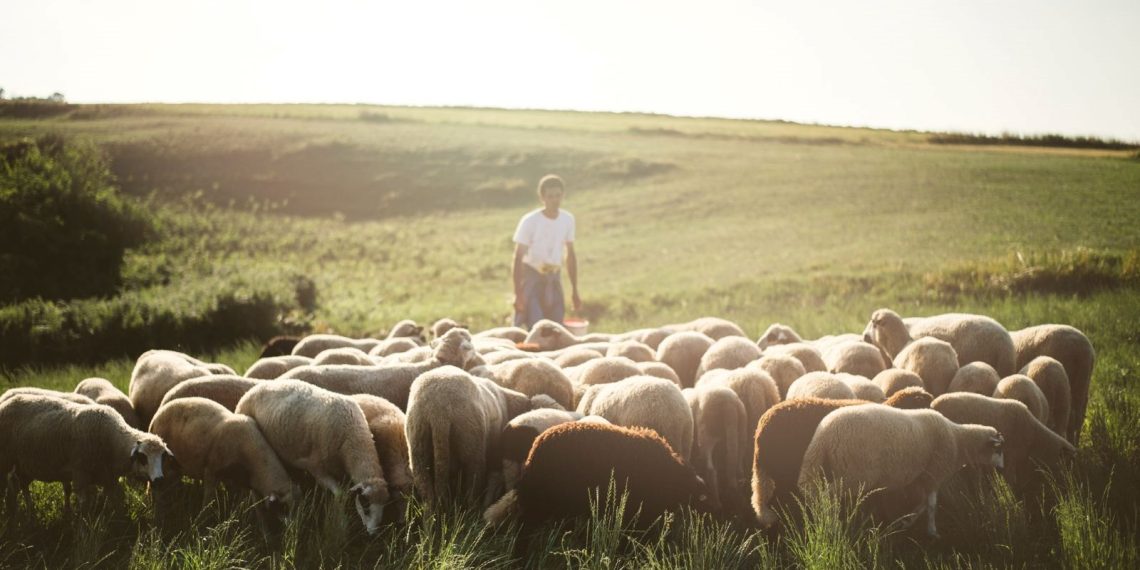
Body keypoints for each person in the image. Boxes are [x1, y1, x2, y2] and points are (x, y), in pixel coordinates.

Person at [512, 174, 581, 329]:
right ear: (542, 197)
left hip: (554, 277)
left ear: (563, 195)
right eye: (550, 196)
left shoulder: (567, 219)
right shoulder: (530, 221)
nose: (555, 200)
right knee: (535, 325)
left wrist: (574, 290)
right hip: (533, 276)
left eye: (558, 195)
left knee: (556, 327)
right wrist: (518, 293)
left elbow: (570, 254)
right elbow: (518, 257)